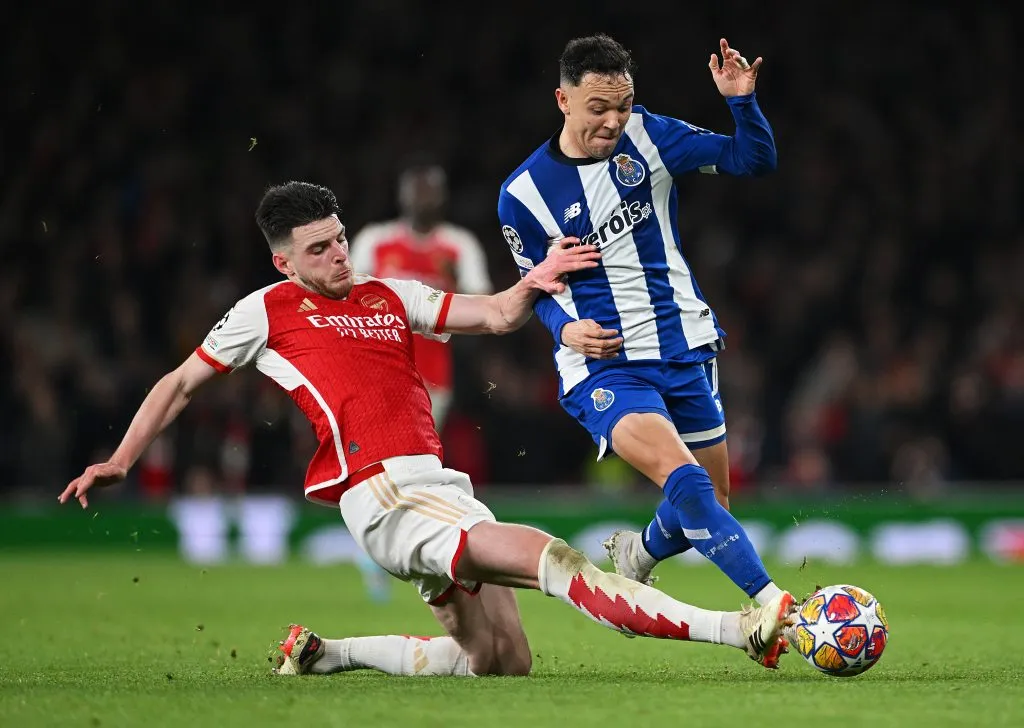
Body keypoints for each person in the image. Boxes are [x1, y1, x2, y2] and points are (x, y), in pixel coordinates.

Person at [59, 181, 795, 677]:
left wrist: (537, 279)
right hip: (383, 495)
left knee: (503, 661)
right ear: (282, 260)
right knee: (554, 560)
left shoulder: (386, 295)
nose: (339, 255)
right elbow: (179, 383)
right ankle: (739, 631)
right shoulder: (266, 311)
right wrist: (123, 458)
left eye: (341, 239)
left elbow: (496, 314)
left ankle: (331, 654)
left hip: (440, 487)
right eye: (318, 249)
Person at [497, 36, 785, 606]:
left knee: (713, 504)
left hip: (684, 345)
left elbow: (754, 159)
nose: (612, 121)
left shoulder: (650, 136)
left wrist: (740, 101)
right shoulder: (522, 195)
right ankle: (773, 603)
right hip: (606, 363)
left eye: (622, 105)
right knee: (689, 485)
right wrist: (563, 329)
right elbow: (538, 286)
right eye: (598, 108)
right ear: (563, 100)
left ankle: (642, 553)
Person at [350, 159, 492, 432]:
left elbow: (484, 311)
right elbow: (346, 296)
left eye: (428, 190)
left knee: (416, 452)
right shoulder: (375, 240)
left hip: (432, 370)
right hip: (375, 365)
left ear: (442, 196)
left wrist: (456, 283)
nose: (421, 196)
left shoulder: (460, 245)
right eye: (415, 188)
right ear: (401, 193)